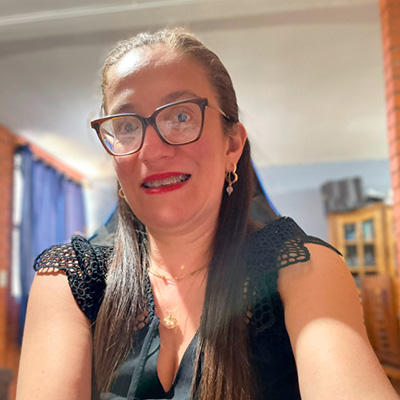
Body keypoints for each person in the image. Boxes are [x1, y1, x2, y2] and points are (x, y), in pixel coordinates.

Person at [16, 28, 398, 400]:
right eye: (127, 125)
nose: (152, 150)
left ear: (232, 145)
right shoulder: (71, 281)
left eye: (181, 117)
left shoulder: (300, 269)